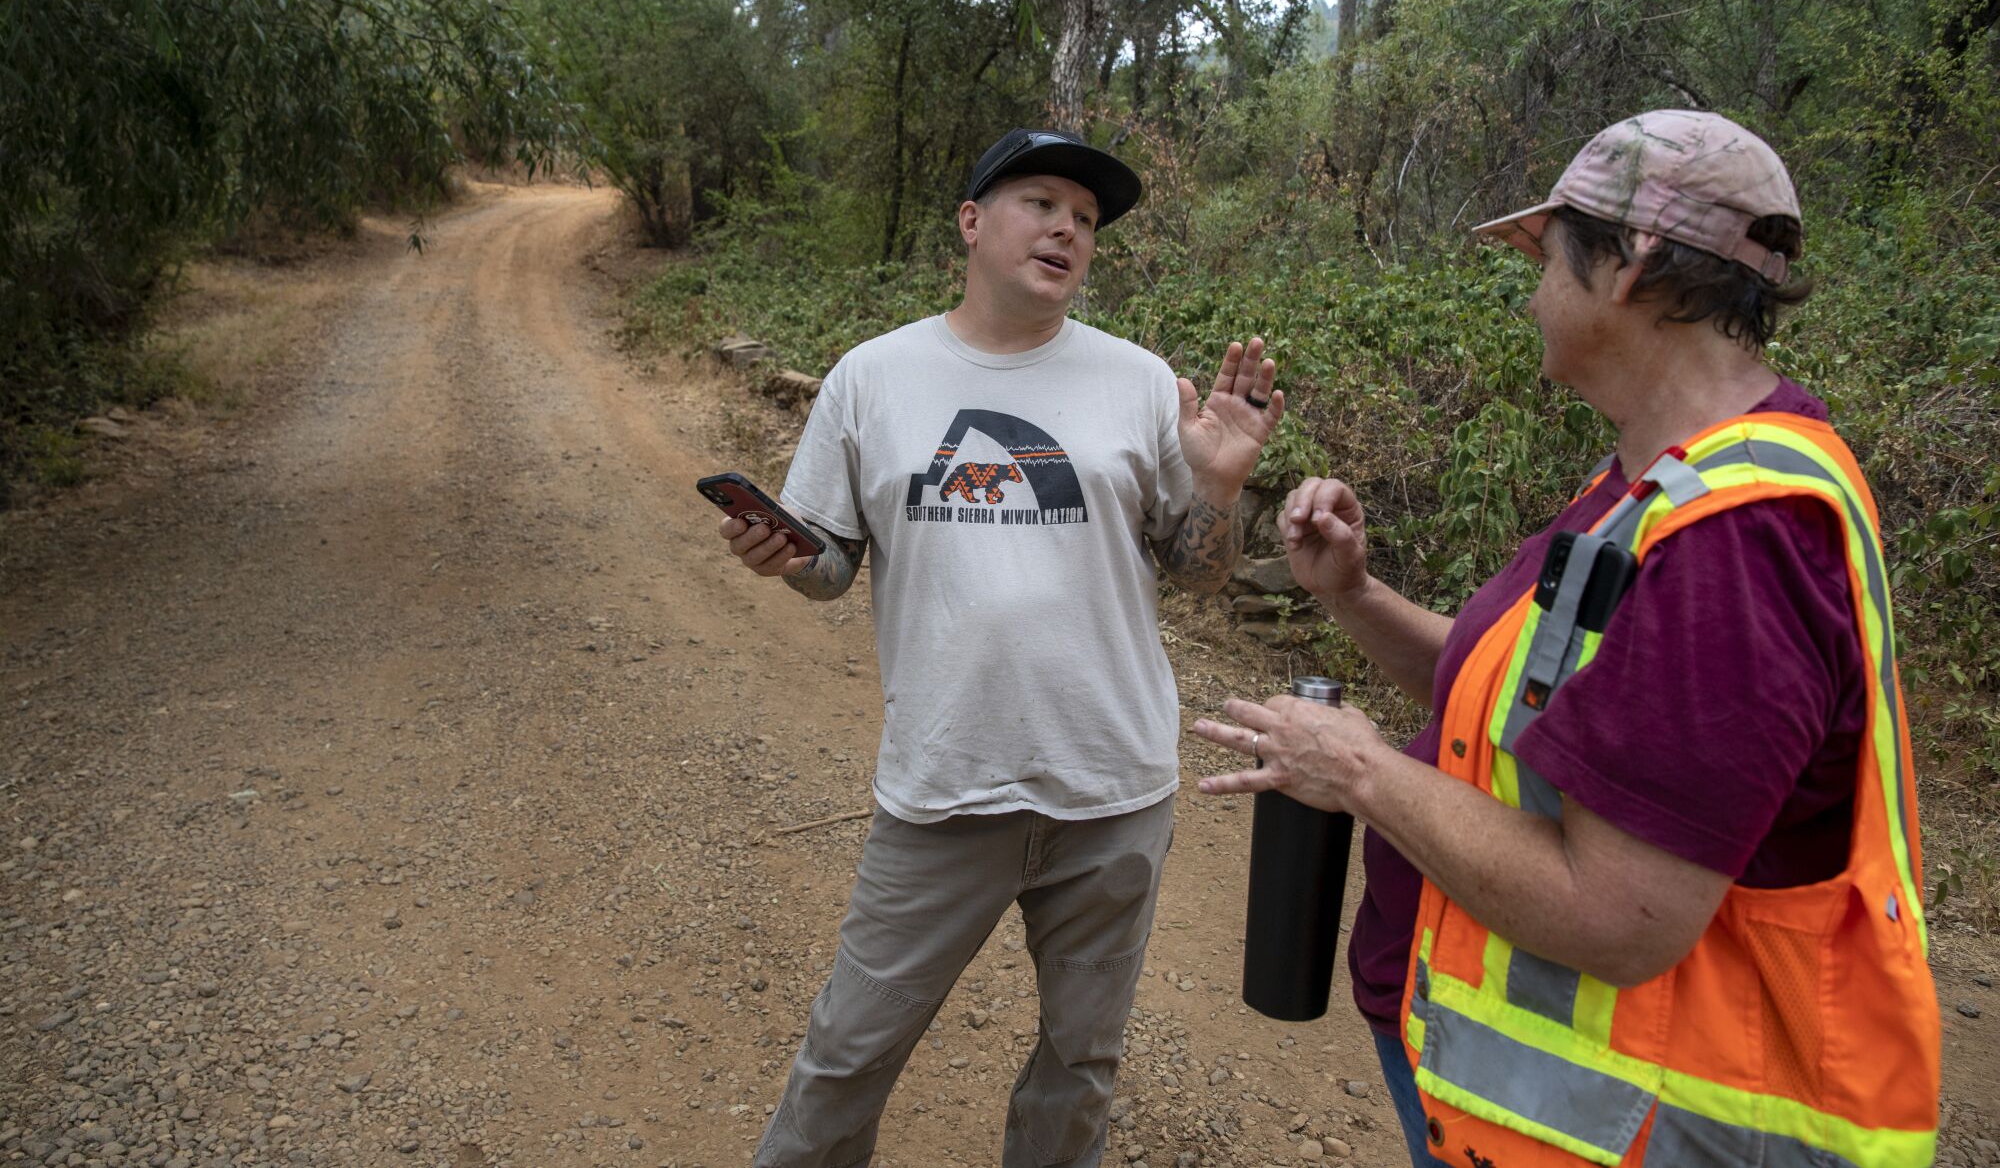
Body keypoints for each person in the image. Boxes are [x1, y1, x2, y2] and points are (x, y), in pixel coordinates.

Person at [1192, 110, 1941, 1166]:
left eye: (1545, 259)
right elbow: (1534, 706)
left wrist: (1357, 769)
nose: (1531, 291)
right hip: (1504, 1088)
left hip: (1638, 1131)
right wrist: (1353, 595)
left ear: (1628, 264)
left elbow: (1620, 912)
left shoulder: (1738, 537)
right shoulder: (1659, 476)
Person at [720, 127, 1285, 1168]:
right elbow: (832, 563)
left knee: (1079, 1067)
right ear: (972, 224)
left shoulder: (1139, 381)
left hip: (1111, 790)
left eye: (1084, 217)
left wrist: (1217, 487)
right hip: (943, 785)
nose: (1067, 226)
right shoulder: (871, 378)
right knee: (847, 1051)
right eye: (1039, 201)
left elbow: (1196, 571)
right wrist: (784, 557)